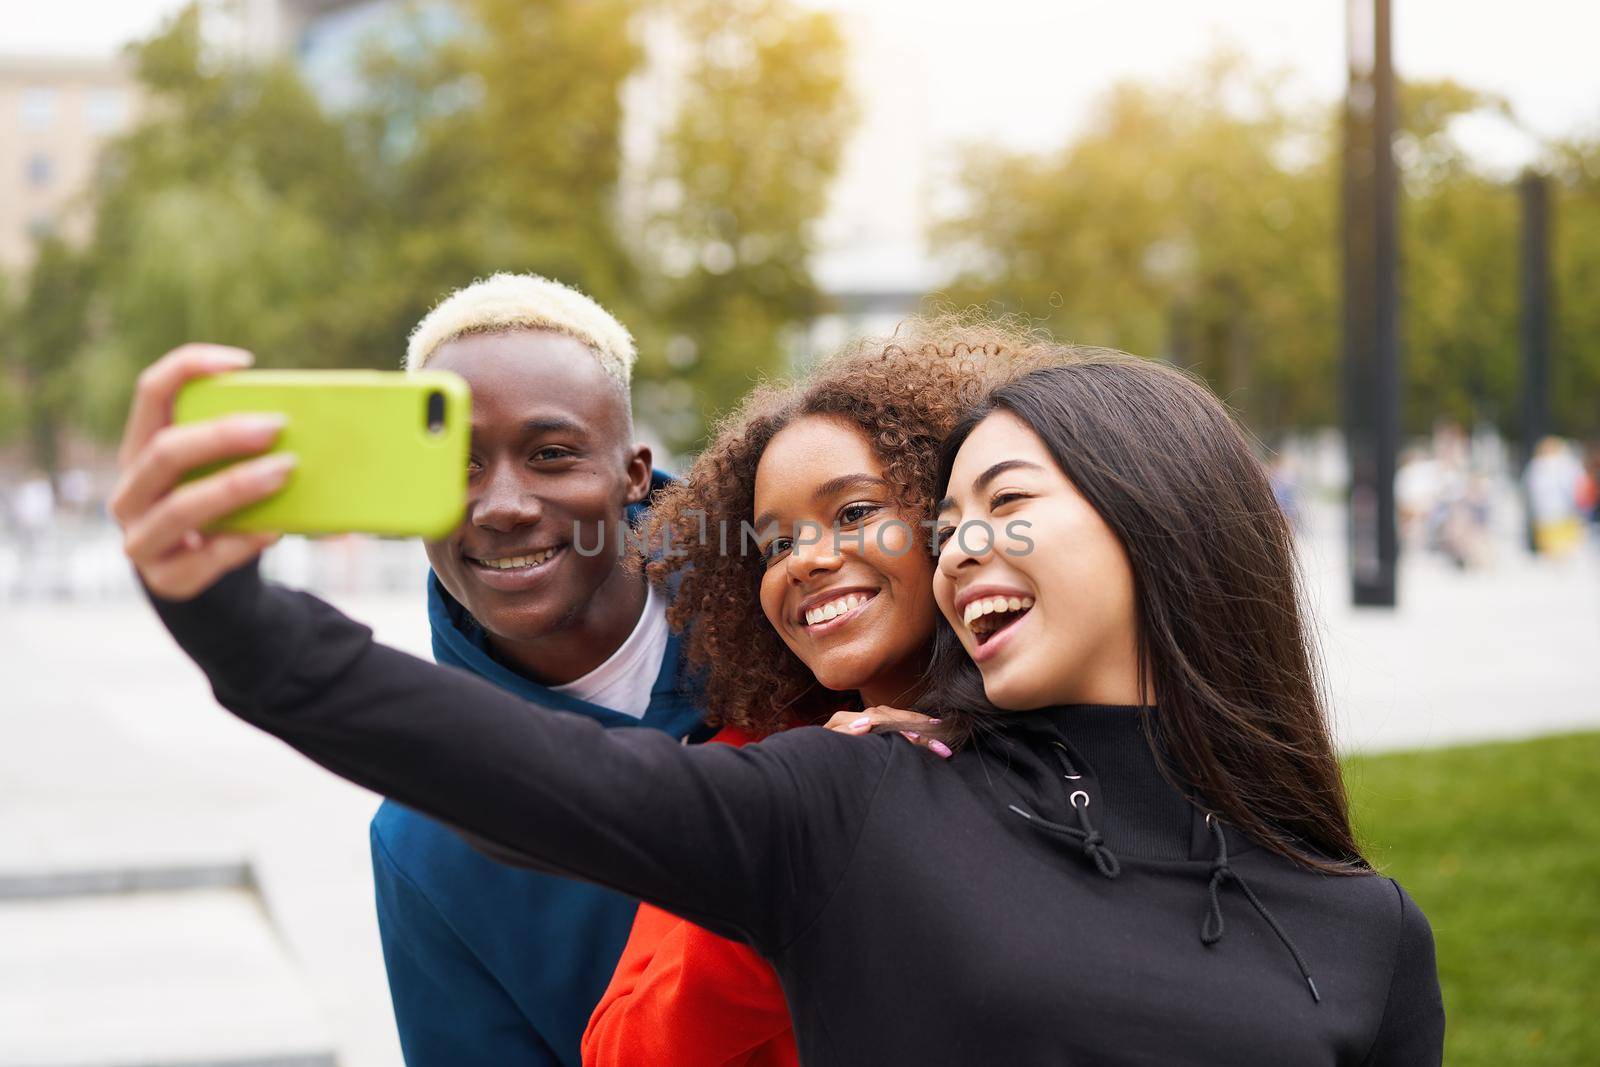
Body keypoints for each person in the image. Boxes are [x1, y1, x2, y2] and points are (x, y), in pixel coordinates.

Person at [116, 338, 1444, 1064]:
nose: (967, 546)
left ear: (1166, 523)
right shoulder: (856, 798)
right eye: (956, 516)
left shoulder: (1366, 926)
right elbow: (517, 770)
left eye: (1005, 508)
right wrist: (236, 621)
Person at [582, 320, 1056, 1066]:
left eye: (855, 513)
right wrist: (791, 864)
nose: (805, 561)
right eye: (775, 545)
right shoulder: (751, 771)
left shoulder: (1067, 743)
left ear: (949, 522)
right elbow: (620, 1052)